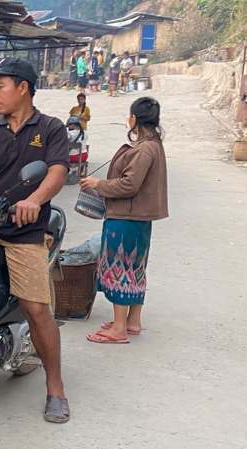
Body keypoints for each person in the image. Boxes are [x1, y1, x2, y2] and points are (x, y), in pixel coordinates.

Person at [0, 58, 70, 423]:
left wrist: (34, 200)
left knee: (37, 310)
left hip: (24, 231)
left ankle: (56, 388)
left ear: (23, 87)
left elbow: (56, 171)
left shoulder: (51, 128)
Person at [80, 97, 168, 344]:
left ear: (134, 119)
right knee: (135, 267)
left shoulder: (143, 149)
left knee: (119, 268)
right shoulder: (154, 145)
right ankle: (132, 321)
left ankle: (119, 328)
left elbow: (129, 184)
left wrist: (99, 184)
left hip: (126, 217)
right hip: (140, 218)